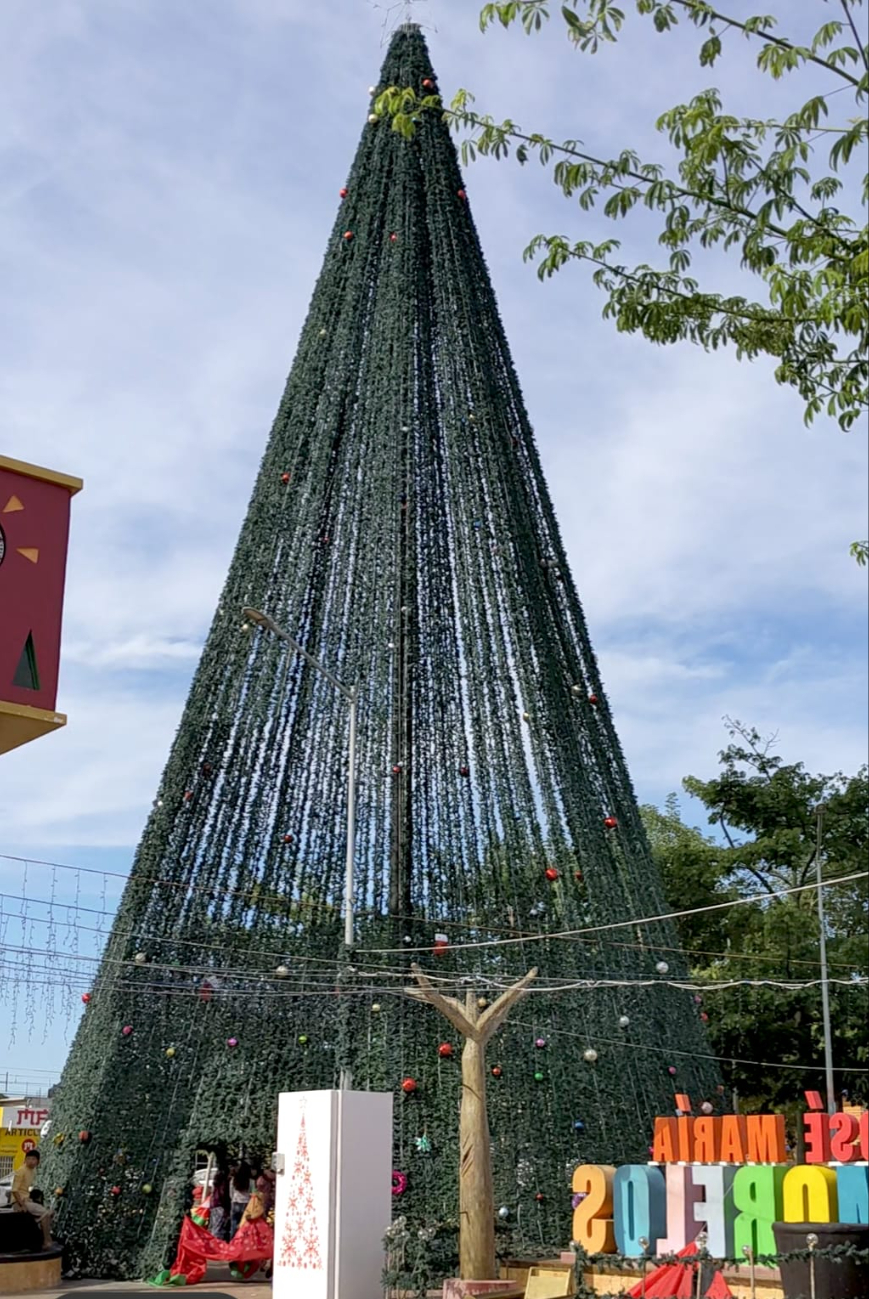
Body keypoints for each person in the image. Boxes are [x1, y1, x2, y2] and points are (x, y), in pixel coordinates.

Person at [11, 1150, 53, 1250]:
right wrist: (22, 1205)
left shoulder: (32, 1171)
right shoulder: (21, 1171)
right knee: (46, 1214)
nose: (30, 1161)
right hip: (19, 1202)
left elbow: (24, 1189)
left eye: (33, 1159)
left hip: (26, 1200)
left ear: (38, 1161)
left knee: (50, 1213)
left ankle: (40, 1238)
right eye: (28, 1159)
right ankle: (47, 1241)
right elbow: (14, 1190)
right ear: (25, 1160)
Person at [229, 1160, 252, 1238]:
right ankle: (242, 1241)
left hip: (235, 1202)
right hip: (246, 1203)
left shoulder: (234, 1180)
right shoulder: (250, 1181)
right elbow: (252, 1193)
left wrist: (233, 1199)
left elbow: (231, 1193)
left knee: (234, 1224)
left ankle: (233, 1241)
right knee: (244, 1225)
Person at [209, 1167, 230, 1242]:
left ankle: (212, 1242)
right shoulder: (223, 1184)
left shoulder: (215, 1183)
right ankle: (216, 1243)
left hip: (213, 1205)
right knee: (218, 1227)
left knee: (214, 1226)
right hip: (220, 1206)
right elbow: (223, 1195)